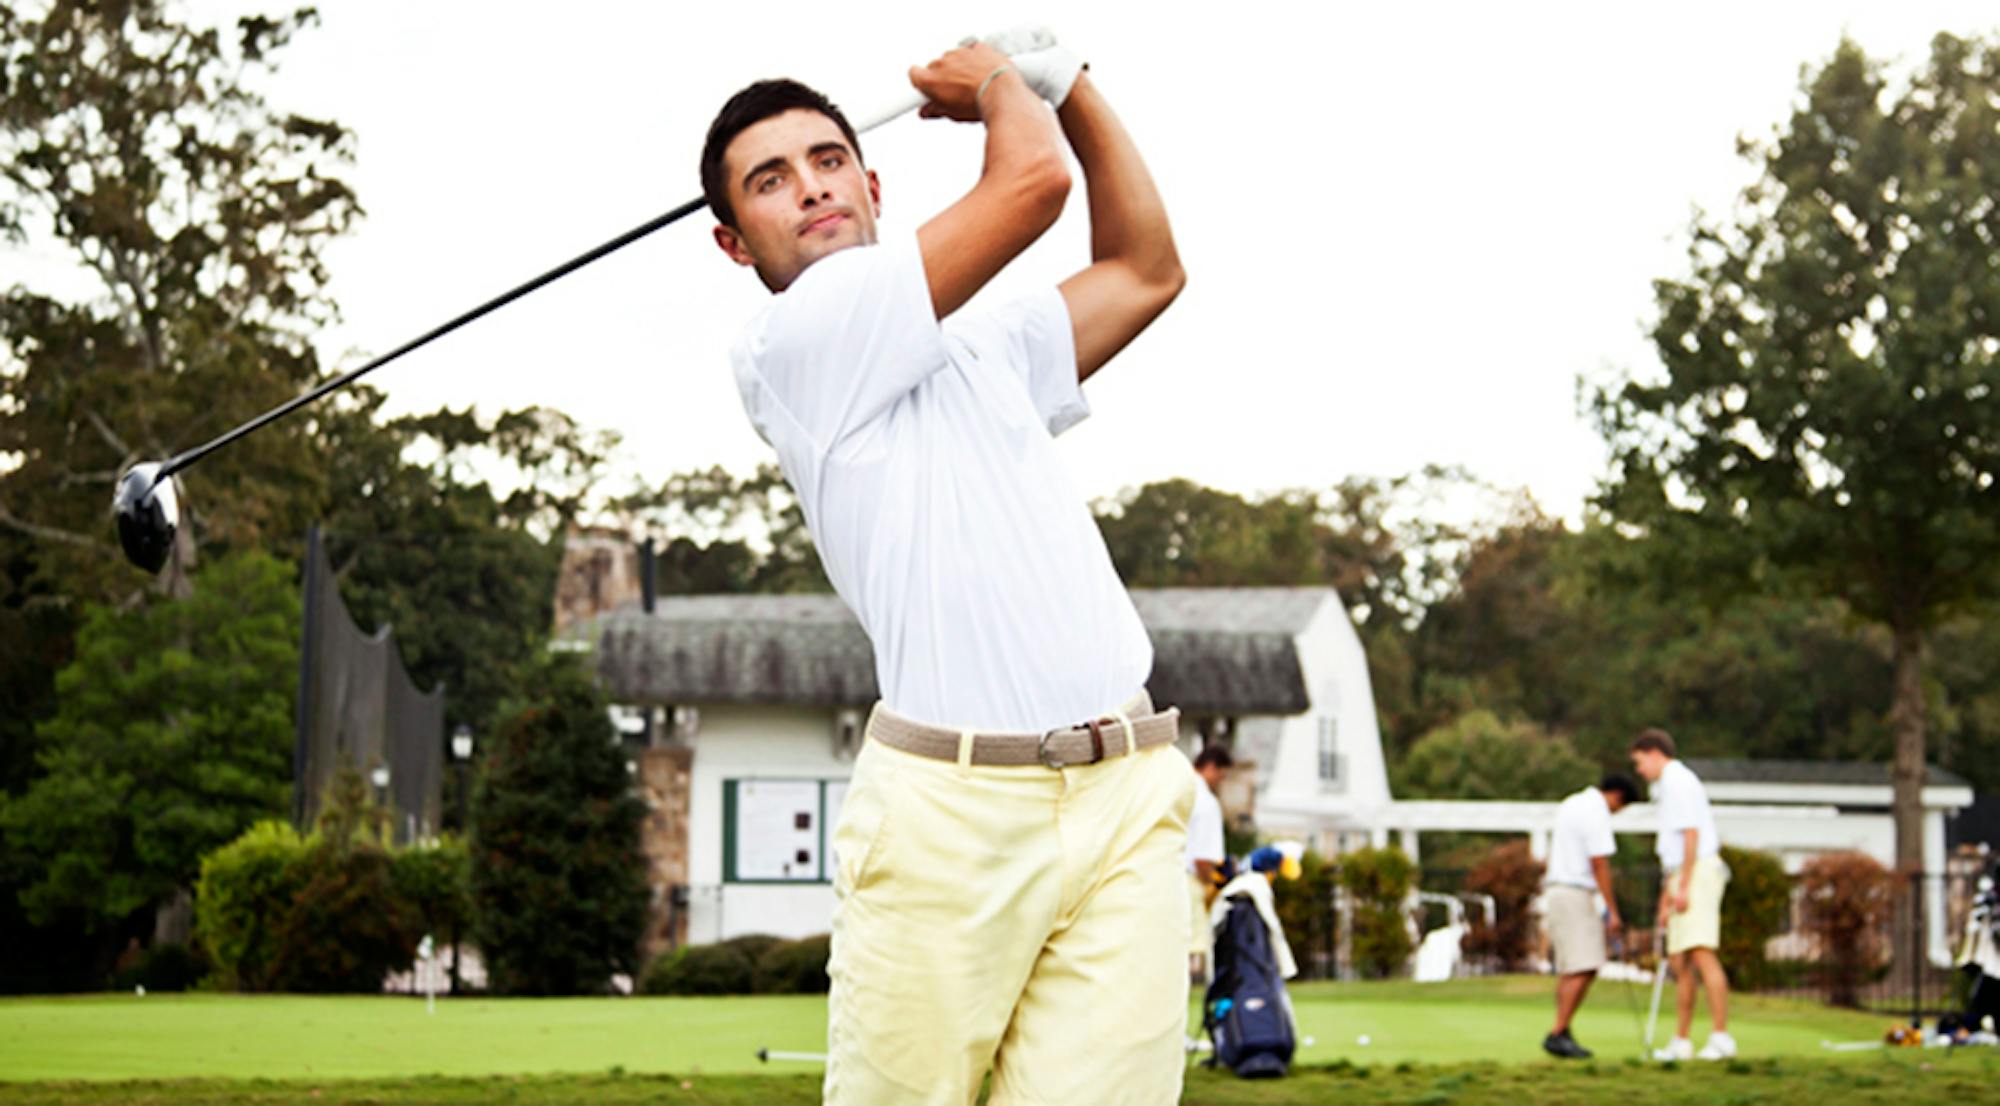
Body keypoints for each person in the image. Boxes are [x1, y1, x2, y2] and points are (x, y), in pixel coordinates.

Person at [702, 33, 1188, 1106]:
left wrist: (1076, 85)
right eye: (769, 181)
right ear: (736, 243)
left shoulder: (979, 344)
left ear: (871, 183)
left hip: (1125, 787)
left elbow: (1145, 269)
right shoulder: (795, 343)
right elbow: (1032, 182)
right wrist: (999, 88)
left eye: (827, 159)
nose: (811, 188)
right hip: (947, 814)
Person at [1630, 728, 1735, 1061]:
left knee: (1702, 952)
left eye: (1640, 761)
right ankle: (1682, 1040)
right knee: (1678, 960)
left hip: (1699, 871)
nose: (1639, 770)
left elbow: (1692, 834)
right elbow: (1673, 850)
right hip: (1681, 874)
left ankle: (1721, 1037)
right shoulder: (1665, 787)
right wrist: (1667, 897)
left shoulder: (1678, 780)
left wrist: (1686, 885)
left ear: (1655, 752)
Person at [1540, 773, 1638, 1059]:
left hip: (1560, 892)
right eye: (1620, 808)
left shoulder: (1572, 802)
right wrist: (1612, 910)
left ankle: (1563, 1030)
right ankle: (1557, 1033)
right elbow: (1600, 862)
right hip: (1574, 894)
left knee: (1575, 966)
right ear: (1616, 796)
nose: (1616, 813)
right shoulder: (1596, 812)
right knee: (1585, 965)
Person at [1187, 745, 1232, 980]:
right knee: (1192, 948)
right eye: (1221, 776)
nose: (1219, 782)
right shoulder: (1205, 802)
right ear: (1211, 767)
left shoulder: (1177, 788)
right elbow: (1203, 858)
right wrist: (1211, 885)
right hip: (1190, 881)